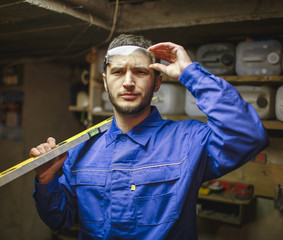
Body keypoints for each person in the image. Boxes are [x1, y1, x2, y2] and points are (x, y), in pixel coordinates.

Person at [31, 34, 269, 239]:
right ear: (105, 82)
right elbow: (58, 220)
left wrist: (190, 74)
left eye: (140, 71)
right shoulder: (79, 151)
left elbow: (248, 135)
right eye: (117, 72)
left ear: (157, 82)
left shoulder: (188, 140)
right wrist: (46, 180)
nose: (128, 82)